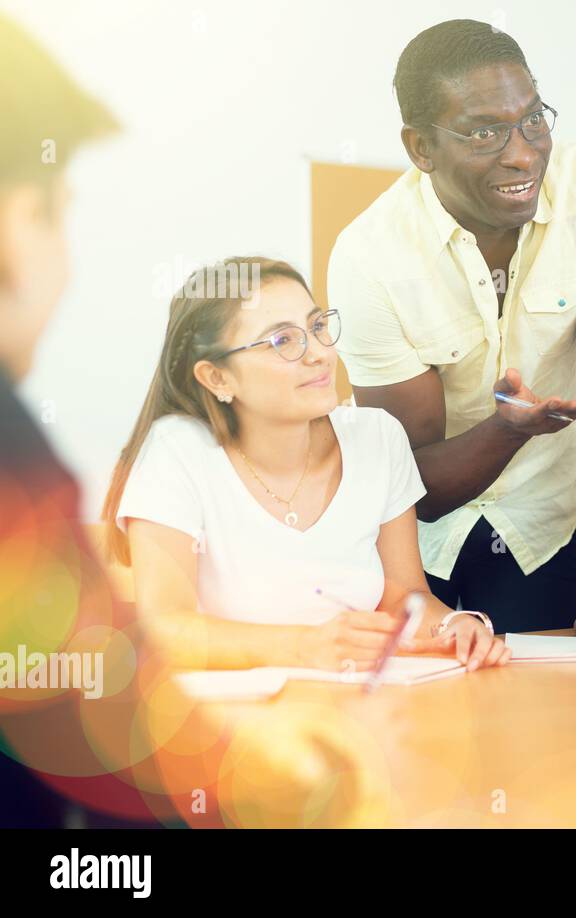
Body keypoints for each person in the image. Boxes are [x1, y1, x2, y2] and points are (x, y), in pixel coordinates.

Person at [0, 14, 381, 828]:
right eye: (51, 215)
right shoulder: (20, 453)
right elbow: (83, 721)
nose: (64, 264)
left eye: (315, 328)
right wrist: (253, 782)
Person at [328, 19, 576, 636]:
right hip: (418, 551)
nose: (523, 151)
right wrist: (508, 431)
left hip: (551, 532)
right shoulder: (371, 256)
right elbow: (415, 487)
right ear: (421, 148)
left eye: (534, 118)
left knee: (556, 720)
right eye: (485, 132)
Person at [103, 257, 510, 673]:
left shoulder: (377, 438)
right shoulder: (178, 451)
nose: (318, 354)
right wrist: (304, 646)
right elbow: (165, 630)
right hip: (232, 723)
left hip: (361, 707)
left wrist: (453, 625)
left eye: (317, 327)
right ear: (217, 378)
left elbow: (404, 598)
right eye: (282, 341)